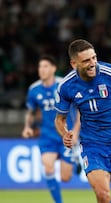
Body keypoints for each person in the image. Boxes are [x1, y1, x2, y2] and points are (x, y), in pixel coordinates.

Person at [54, 39, 111, 203]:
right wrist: (64, 133)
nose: (92, 64)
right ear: (73, 64)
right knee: (103, 195)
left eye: (94, 58)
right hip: (93, 145)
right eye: (86, 61)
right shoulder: (66, 86)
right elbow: (59, 119)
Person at [22, 55, 81, 203]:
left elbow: (79, 110)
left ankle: (75, 160)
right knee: (48, 168)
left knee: (65, 178)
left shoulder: (65, 85)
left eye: (45, 66)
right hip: (47, 136)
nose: (41, 69)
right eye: (40, 66)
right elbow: (31, 112)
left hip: (65, 135)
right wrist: (28, 127)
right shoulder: (34, 89)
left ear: (53, 68)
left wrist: (76, 131)